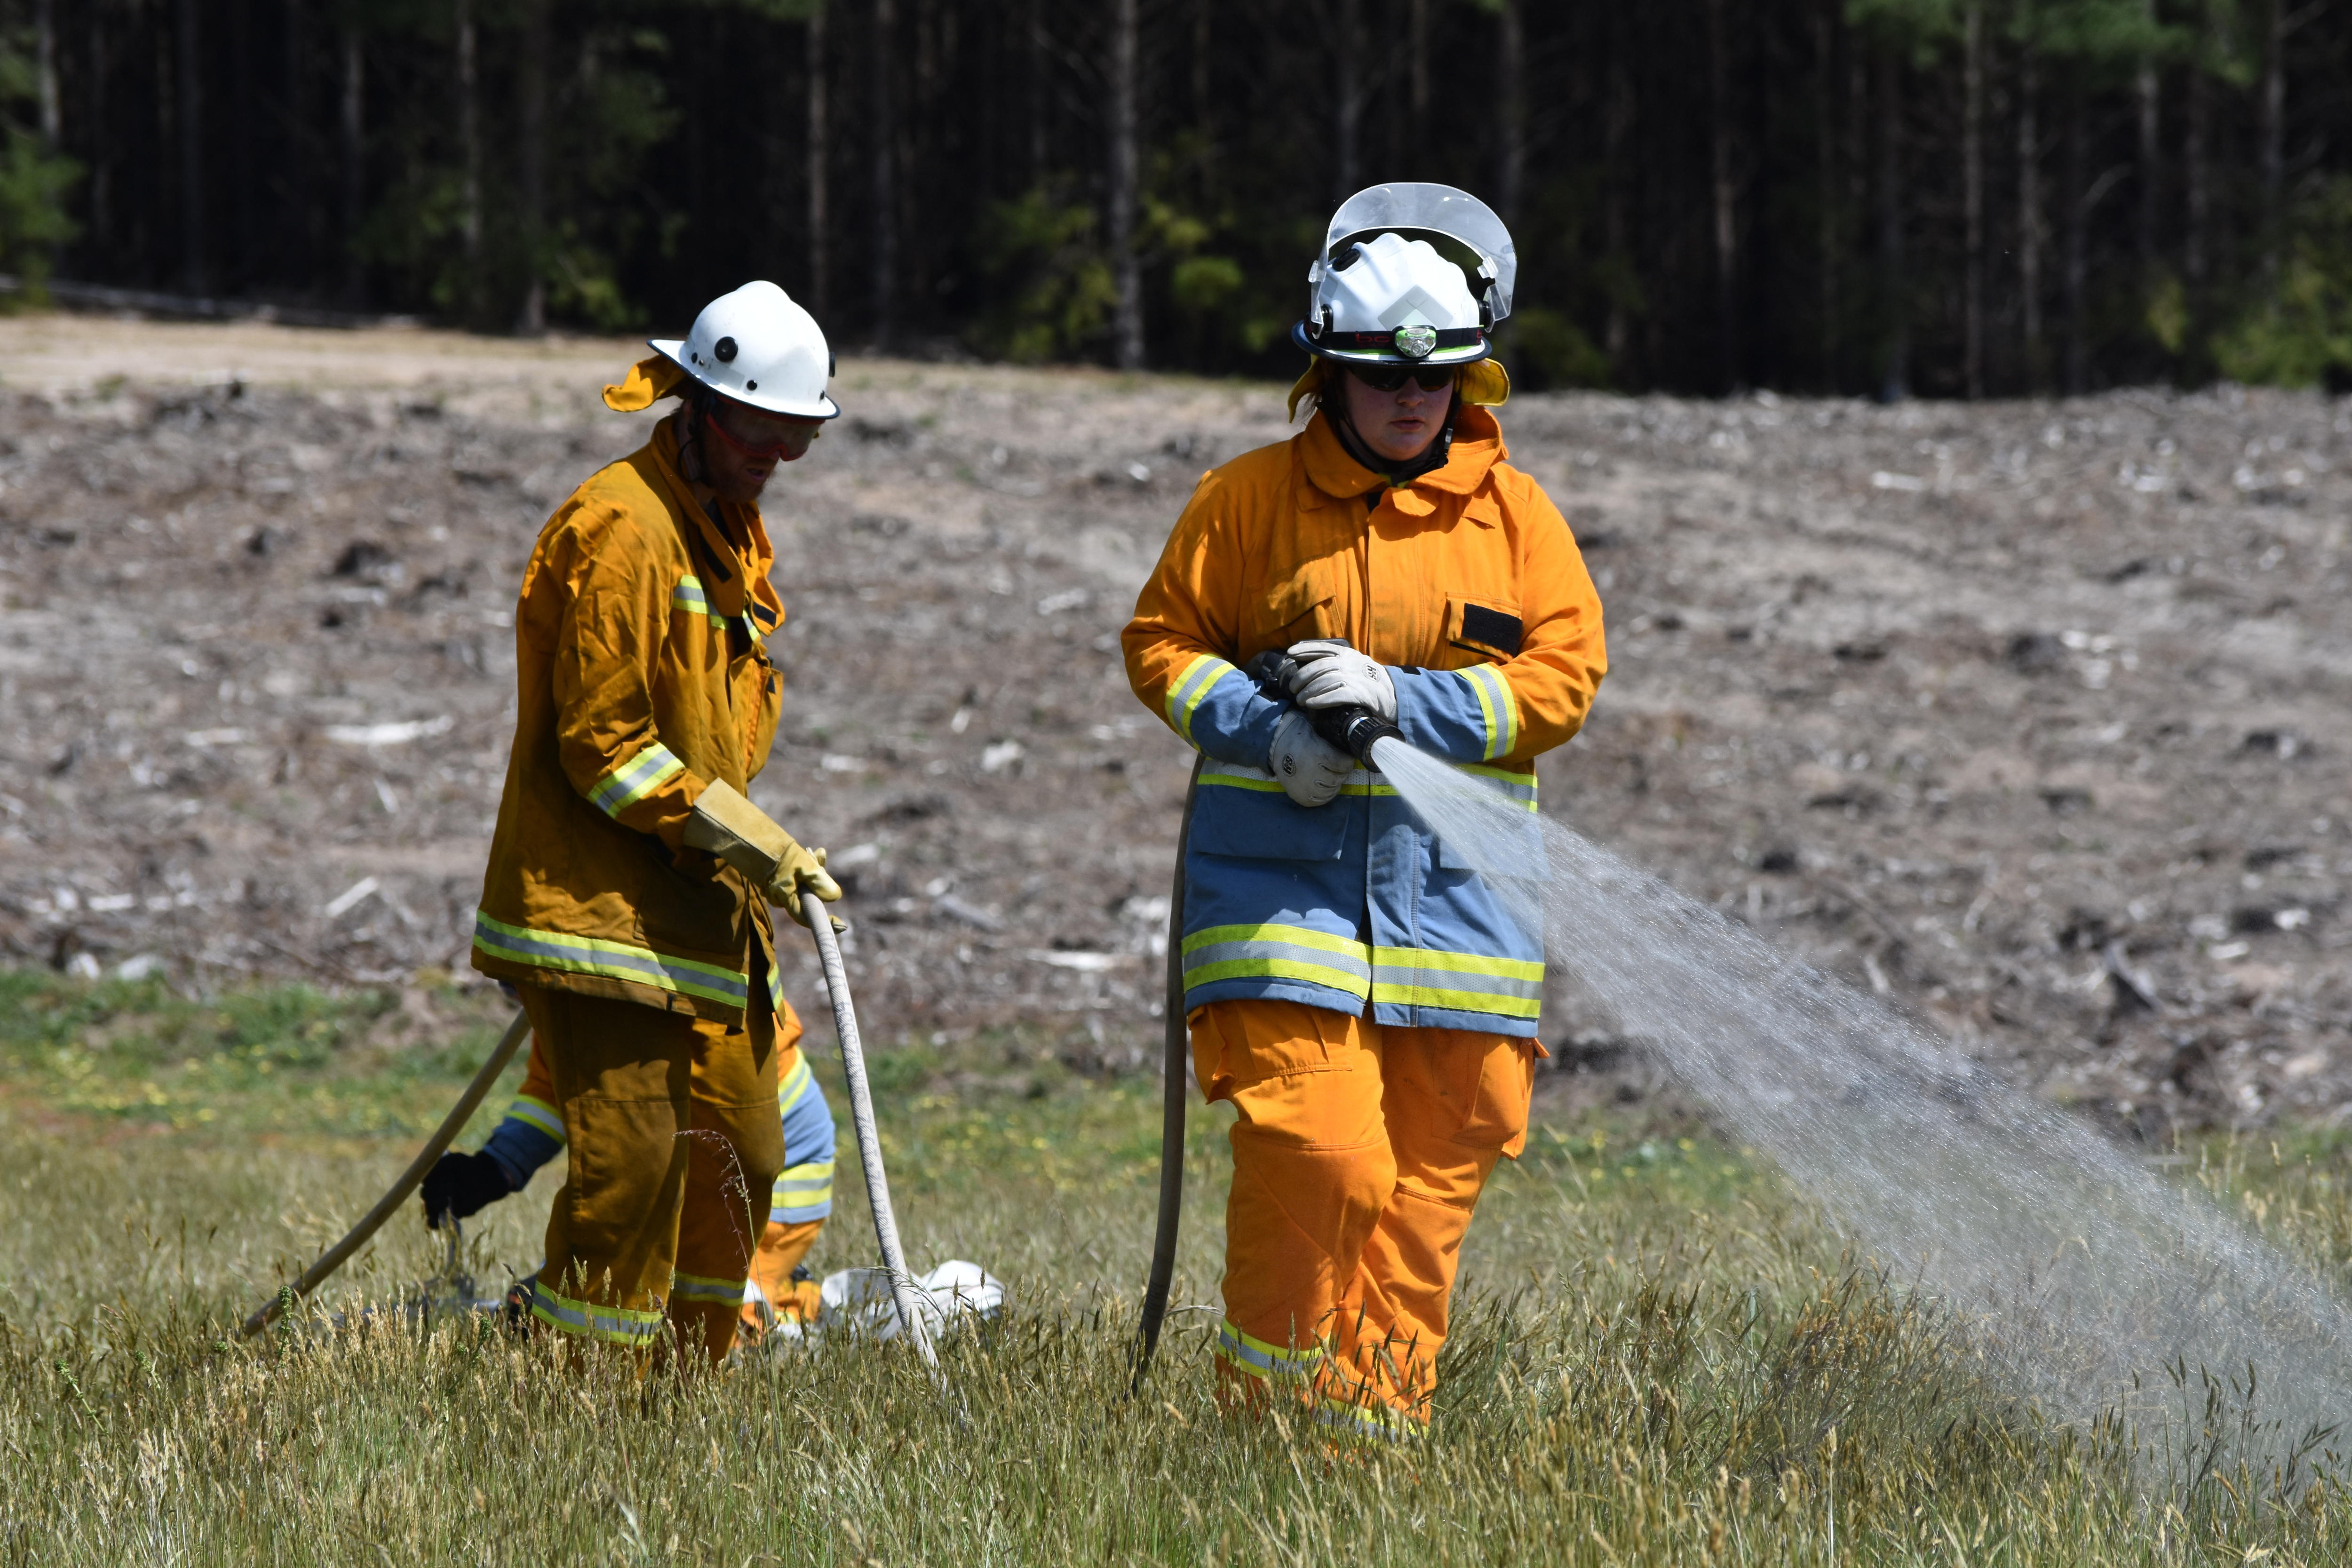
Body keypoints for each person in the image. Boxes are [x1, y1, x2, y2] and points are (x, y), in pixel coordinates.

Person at [1121, 184, 1607, 1438]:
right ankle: (1259, 1431)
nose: (1411, 398)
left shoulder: (1517, 521)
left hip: (1463, 927)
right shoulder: (1246, 503)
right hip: (1282, 902)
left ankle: (1369, 1456)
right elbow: (1163, 644)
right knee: (1324, 1154)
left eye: (1437, 377)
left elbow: (1565, 678)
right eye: (1385, 376)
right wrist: (1268, 731)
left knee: (1421, 1204)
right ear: (1327, 371)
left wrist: (1407, 702)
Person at [466, 280, 846, 1364]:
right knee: (630, 1176)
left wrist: (742, 851)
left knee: (745, 1157)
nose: (776, 457)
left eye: (798, 438)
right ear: (696, 403)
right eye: (760, 431)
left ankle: (681, 1386)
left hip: (700, 918)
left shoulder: (720, 535)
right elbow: (604, 744)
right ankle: (576, 1391)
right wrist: (751, 841)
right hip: (599, 916)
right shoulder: (621, 528)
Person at [421, 1028, 837, 1337]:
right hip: (693, 1163)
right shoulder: (574, 1000)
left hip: (772, 1179)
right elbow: (557, 1087)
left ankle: (797, 1303)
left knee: (707, 1325)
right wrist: (497, 1166)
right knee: (583, 1306)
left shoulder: (650, 1000)